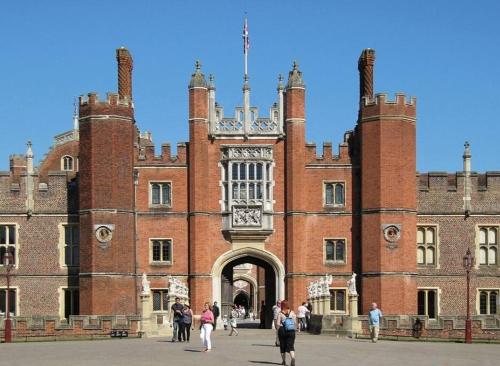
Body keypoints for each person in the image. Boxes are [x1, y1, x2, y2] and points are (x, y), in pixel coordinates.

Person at [277, 300, 297, 366]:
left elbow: (278, 324)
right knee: (291, 346)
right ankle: (293, 358)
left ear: (282, 305)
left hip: (282, 330)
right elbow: (294, 322)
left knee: (282, 346)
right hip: (291, 330)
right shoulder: (292, 312)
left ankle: (283, 361)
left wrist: (278, 330)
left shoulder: (280, 313)